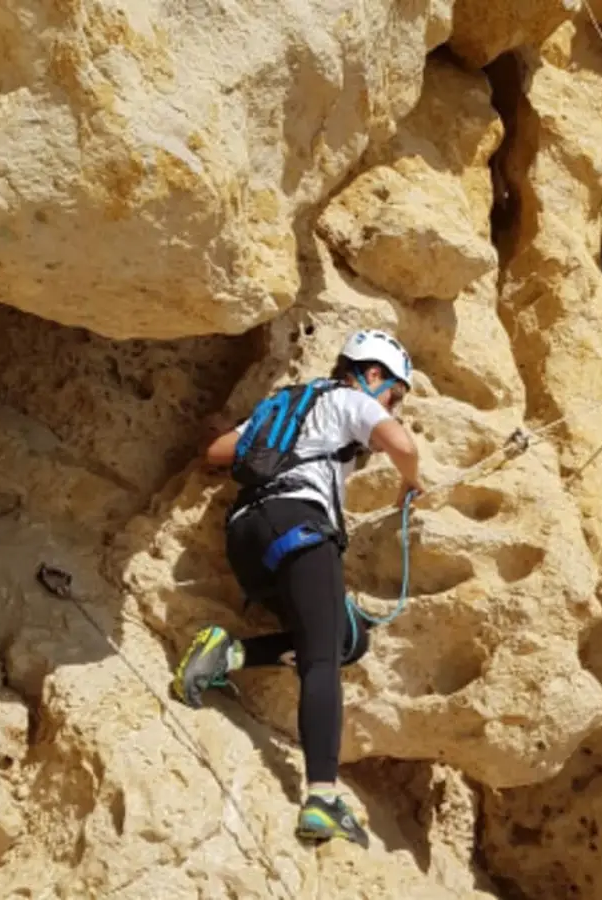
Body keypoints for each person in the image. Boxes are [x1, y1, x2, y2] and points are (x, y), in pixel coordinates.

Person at [170, 328, 423, 848]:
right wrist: (408, 483)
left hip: (246, 536)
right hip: (301, 526)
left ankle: (228, 653)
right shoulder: (351, 398)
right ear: (373, 374)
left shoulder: (284, 406)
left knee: (346, 641)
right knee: (322, 662)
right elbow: (401, 443)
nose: (391, 405)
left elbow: (220, 451)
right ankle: (323, 798)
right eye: (394, 395)